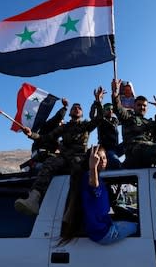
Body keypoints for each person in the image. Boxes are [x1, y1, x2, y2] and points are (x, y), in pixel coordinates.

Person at [15, 88, 104, 216]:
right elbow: (45, 138)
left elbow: (99, 119)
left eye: (79, 108)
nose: (76, 109)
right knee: (49, 163)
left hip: (78, 158)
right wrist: (31, 134)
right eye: (74, 107)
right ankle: (33, 199)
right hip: (63, 157)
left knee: (78, 173)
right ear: (70, 113)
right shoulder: (64, 127)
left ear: (82, 113)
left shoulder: (85, 126)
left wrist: (98, 101)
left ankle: (73, 209)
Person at [59, 145, 138, 245]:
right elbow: (94, 184)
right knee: (139, 226)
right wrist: (93, 167)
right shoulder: (89, 176)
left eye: (104, 158)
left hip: (103, 228)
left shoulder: (100, 178)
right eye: (98, 158)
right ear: (91, 161)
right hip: (103, 233)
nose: (103, 161)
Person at [19, 98, 69, 172]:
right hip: (42, 155)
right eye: (61, 123)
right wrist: (65, 108)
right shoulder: (49, 126)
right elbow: (40, 137)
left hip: (46, 156)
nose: (62, 124)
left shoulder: (58, 138)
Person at [90, 102, 123, 169]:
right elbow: (92, 116)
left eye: (112, 109)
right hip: (106, 149)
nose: (110, 111)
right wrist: (97, 102)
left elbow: (125, 118)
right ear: (103, 111)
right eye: (108, 109)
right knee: (115, 162)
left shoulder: (115, 120)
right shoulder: (100, 120)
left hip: (116, 148)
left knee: (131, 143)